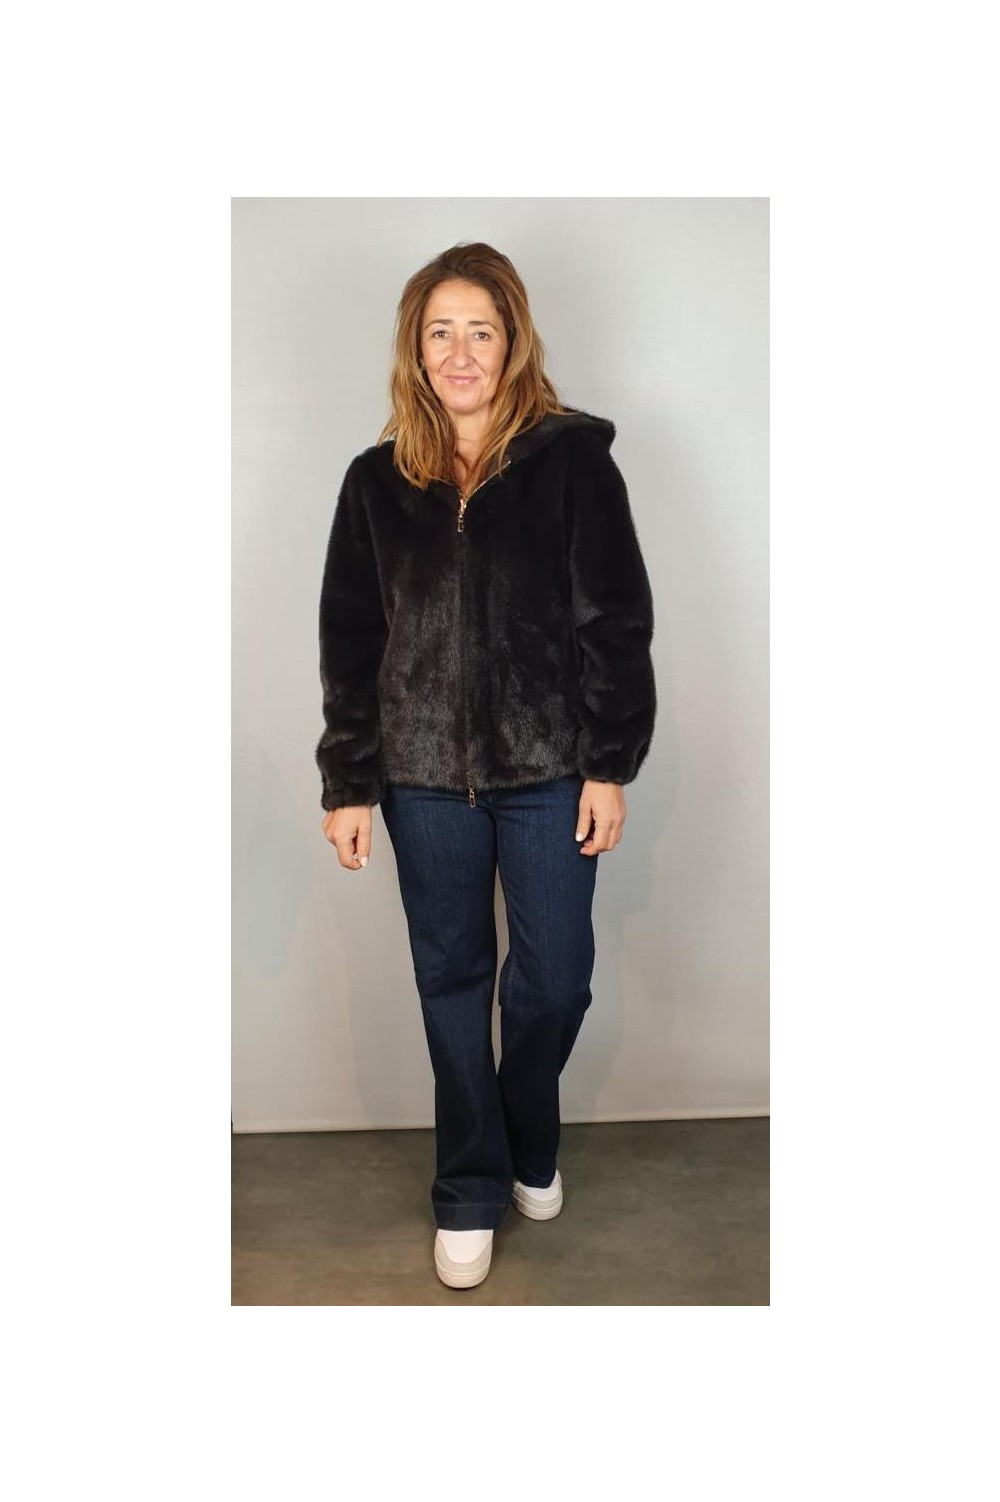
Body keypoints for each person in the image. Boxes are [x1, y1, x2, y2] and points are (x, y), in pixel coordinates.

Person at [316, 242, 656, 1290]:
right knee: (451, 983)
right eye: (440, 332)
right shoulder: (376, 482)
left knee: (554, 980)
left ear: (513, 343)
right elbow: (350, 639)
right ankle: (468, 1186)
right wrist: (350, 782)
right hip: (420, 781)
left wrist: (608, 764)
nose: (460, 352)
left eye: (480, 330)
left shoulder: (572, 463)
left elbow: (615, 622)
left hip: (552, 771)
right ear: (415, 349)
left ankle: (526, 1131)